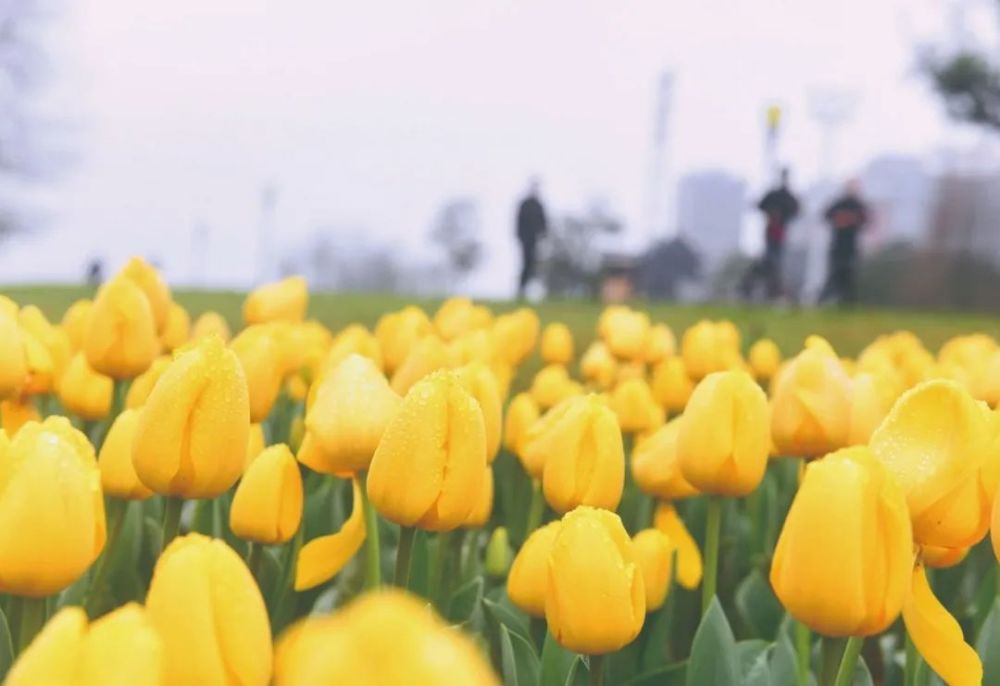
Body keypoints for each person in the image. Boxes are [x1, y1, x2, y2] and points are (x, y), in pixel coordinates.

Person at [741, 168, 800, 301]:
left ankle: (771, 290)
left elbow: (796, 211)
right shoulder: (774, 195)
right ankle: (761, 287)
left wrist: (783, 216)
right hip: (770, 232)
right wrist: (770, 212)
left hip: (780, 233)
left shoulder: (788, 197)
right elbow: (760, 205)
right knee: (771, 261)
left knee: (774, 262)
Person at [819, 179, 868, 305]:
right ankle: (824, 300)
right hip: (837, 245)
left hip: (851, 245)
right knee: (834, 272)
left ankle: (847, 302)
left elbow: (865, 220)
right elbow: (826, 215)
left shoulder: (858, 205)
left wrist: (853, 220)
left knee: (849, 274)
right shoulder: (839, 203)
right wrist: (839, 219)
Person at [515, 179, 548, 298]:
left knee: (534, 265)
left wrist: (544, 235)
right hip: (525, 240)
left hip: (536, 240)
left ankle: (532, 290)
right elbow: (518, 222)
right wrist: (520, 236)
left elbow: (543, 222)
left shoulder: (538, 205)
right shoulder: (525, 204)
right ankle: (521, 289)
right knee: (526, 264)